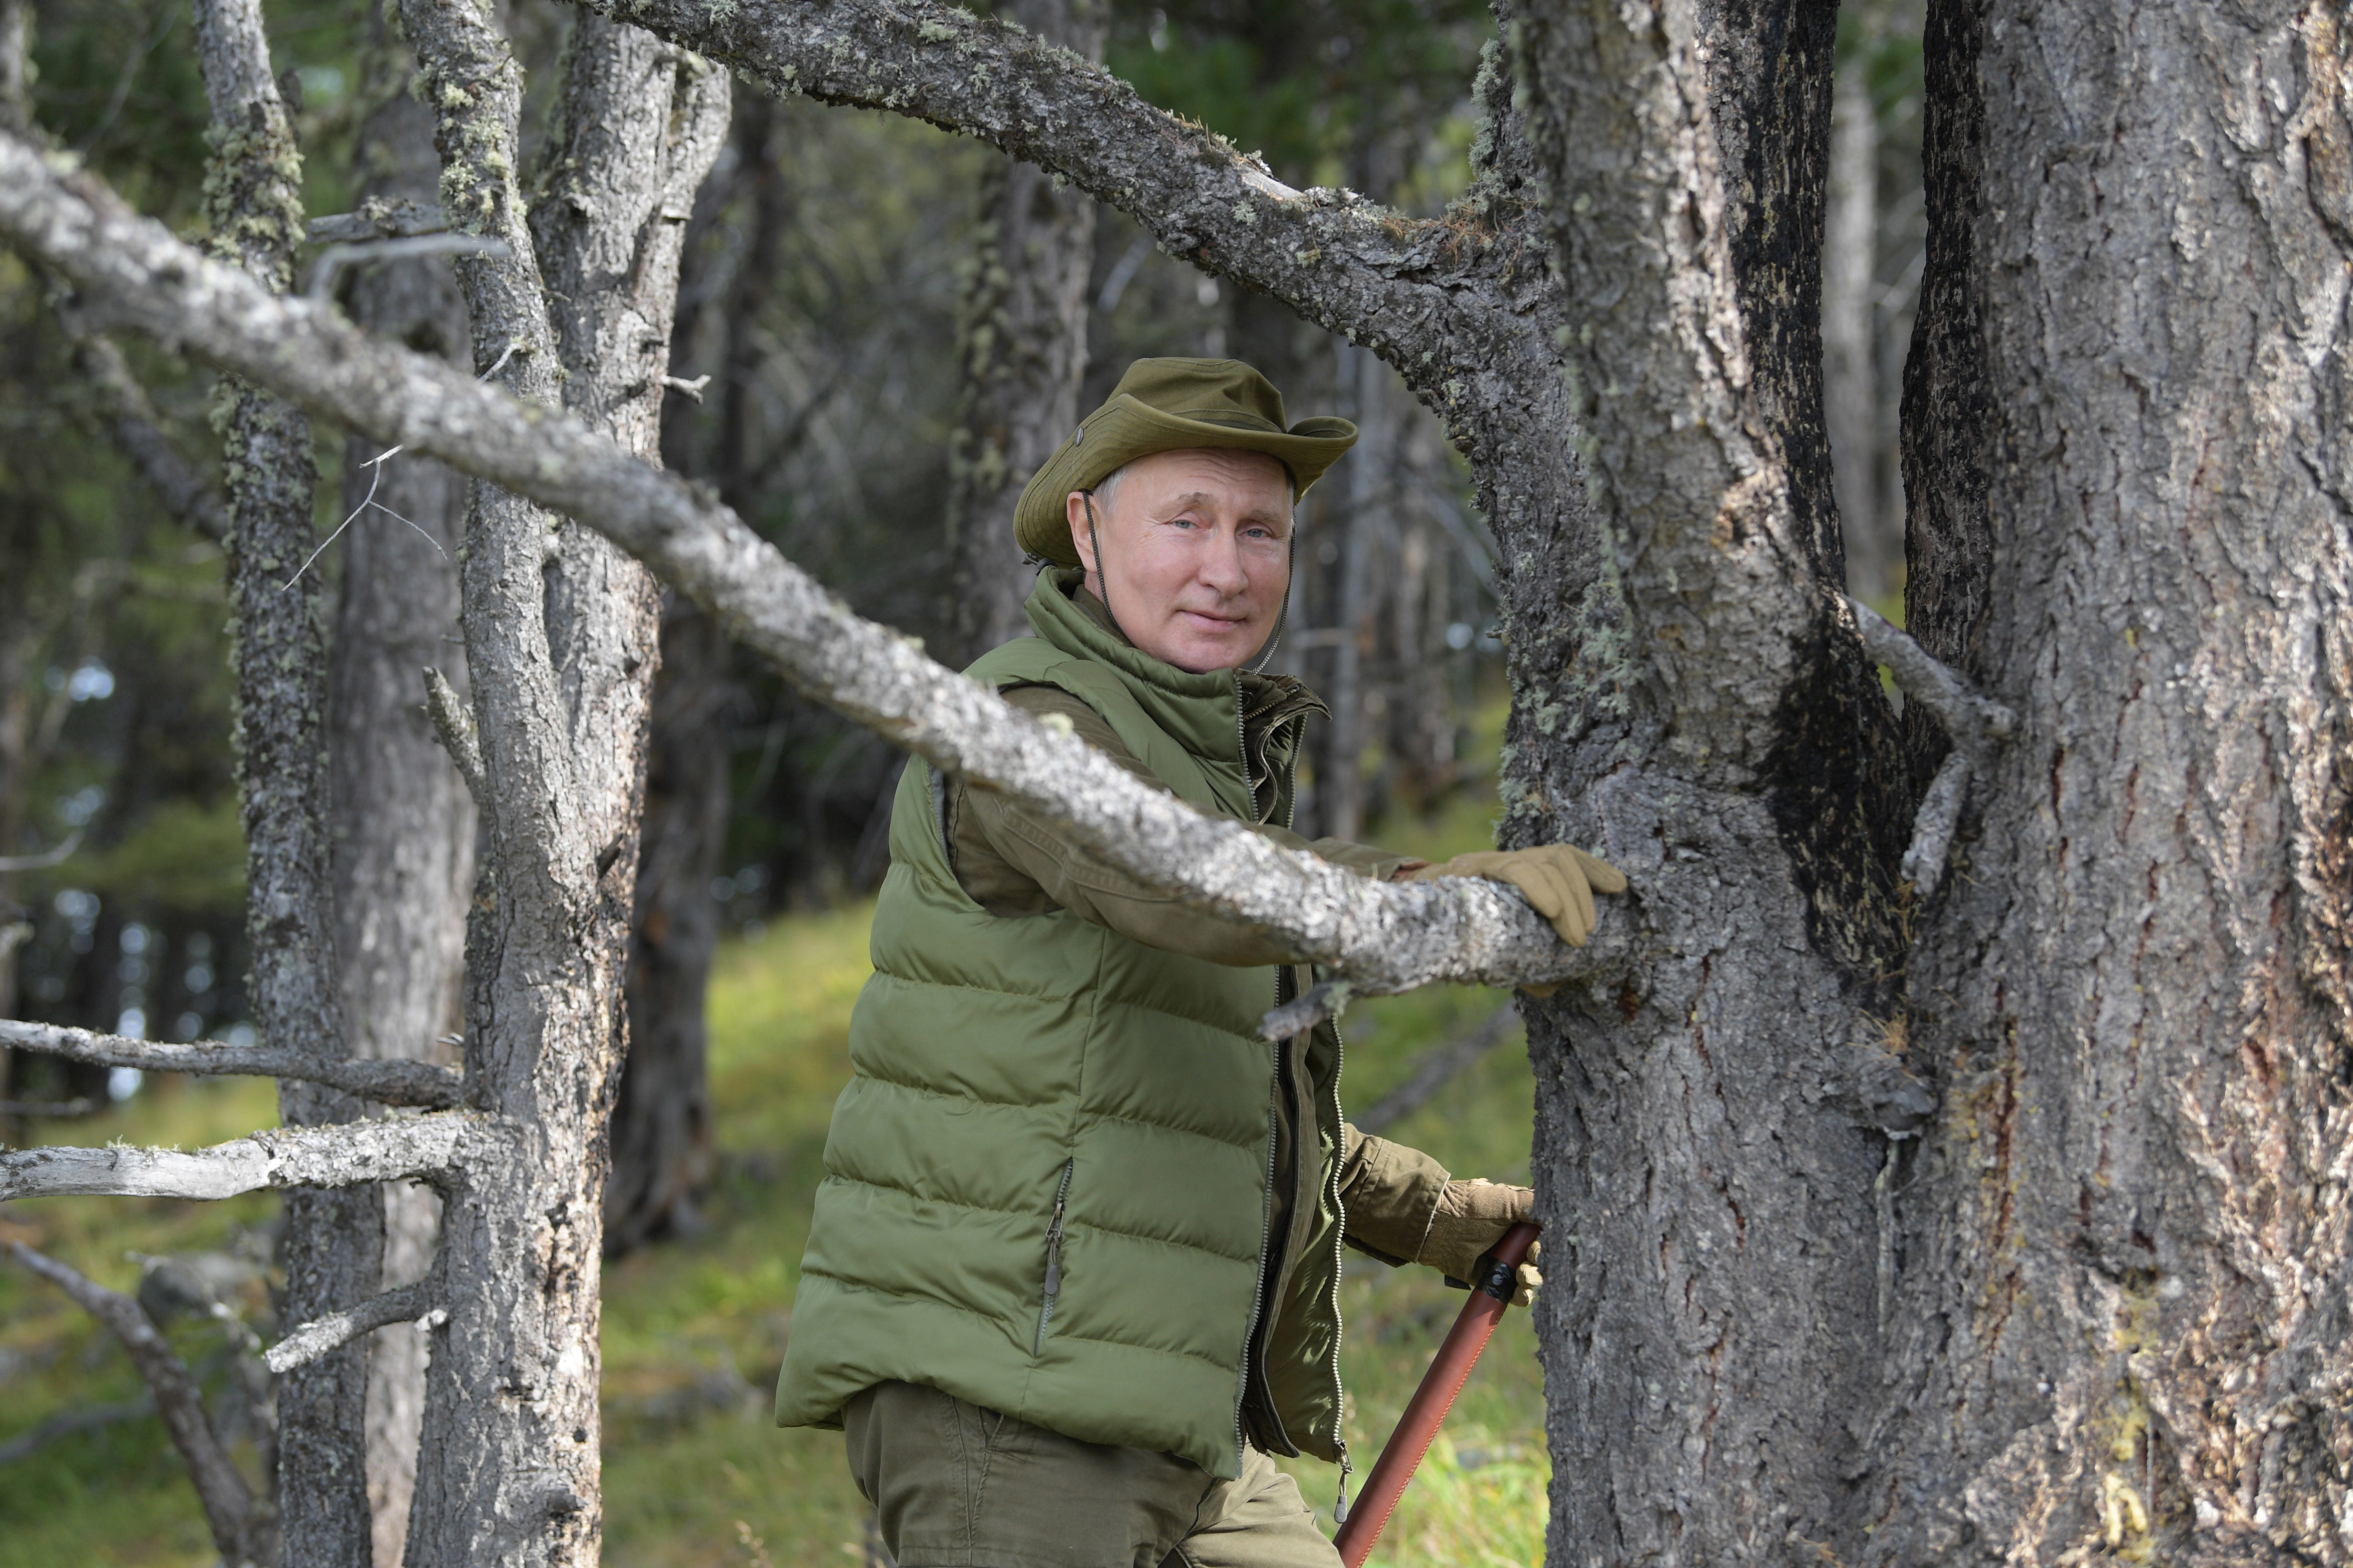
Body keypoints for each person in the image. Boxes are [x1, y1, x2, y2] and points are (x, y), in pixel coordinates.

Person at [773, 359, 1625, 1567]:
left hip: (1190, 1426)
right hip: (1011, 1408)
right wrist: (1416, 890)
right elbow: (1176, 880)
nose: (1226, 568)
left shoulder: (1211, 757)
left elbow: (1195, 1099)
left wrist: (1437, 1214)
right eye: (1186, 521)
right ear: (1087, 524)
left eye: (1260, 531)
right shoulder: (1022, 725)